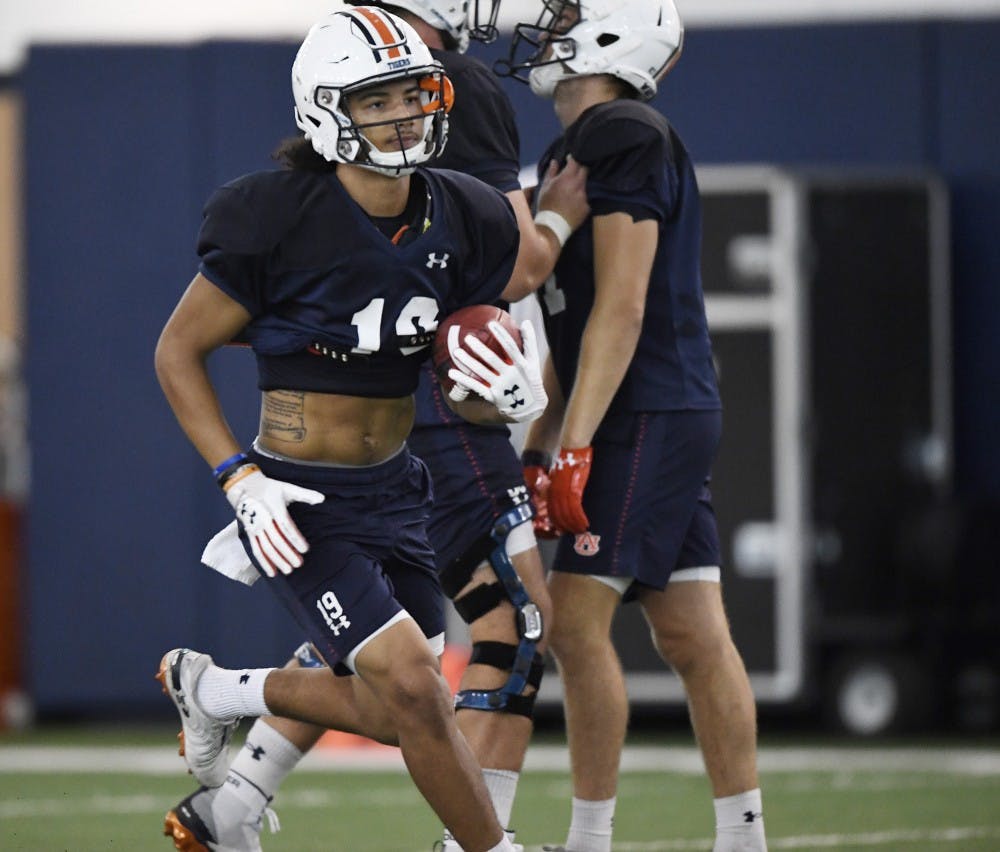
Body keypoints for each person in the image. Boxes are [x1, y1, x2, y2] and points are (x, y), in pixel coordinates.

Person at [157, 5, 588, 852]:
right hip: (299, 497)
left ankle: (215, 691)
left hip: (400, 487)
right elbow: (177, 351)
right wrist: (239, 479)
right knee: (420, 694)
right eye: (376, 101)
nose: (401, 116)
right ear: (326, 110)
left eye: (412, 97)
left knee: (405, 708)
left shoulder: (462, 209)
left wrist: (491, 389)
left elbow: (454, 359)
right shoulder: (275, 214)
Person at [497, 1, 769, 850]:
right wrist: (546, 428)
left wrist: (574, 440)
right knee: (692, 632)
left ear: (614, 34)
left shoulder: (622, 130)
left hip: (639, 407)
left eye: (571, 15)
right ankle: (743, 837)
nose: (547, 30)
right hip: (643, 404)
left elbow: (622, 302)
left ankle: (589, 841)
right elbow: (575, 319)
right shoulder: (580, 144)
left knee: (574, 627)